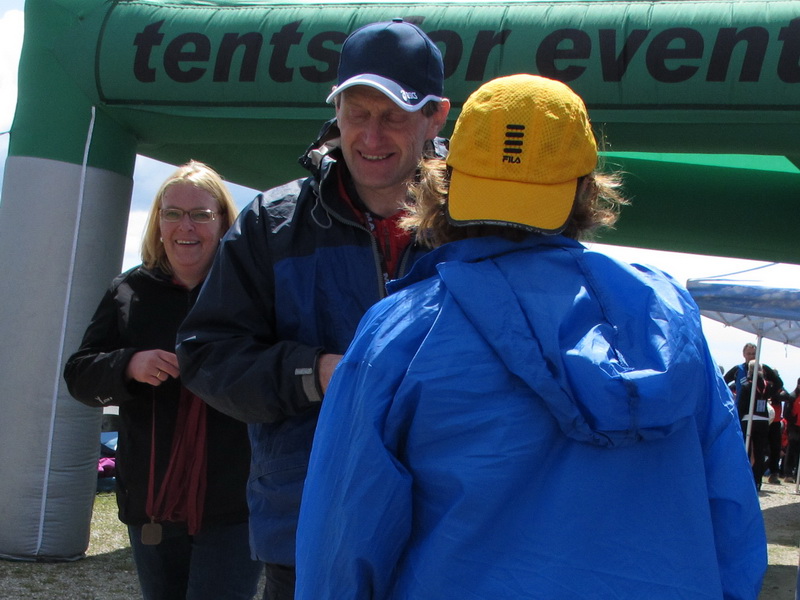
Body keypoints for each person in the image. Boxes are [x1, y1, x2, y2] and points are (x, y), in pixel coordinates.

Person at [295, 74, 767, 599]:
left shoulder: (401, 331)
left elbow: (340, 546)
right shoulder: (668, 319)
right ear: (586, 190)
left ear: (443, 181)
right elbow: (733, 524)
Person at [175, 19, 450, 598]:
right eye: (357, 113)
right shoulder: (270, 224)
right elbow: (206, 356)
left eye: (393, 115)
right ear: (335, 110)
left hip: (443, 534)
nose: (370, 135)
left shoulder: (476, 224)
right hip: (306, 533)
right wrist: (316, 373)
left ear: (436, 116)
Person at [64, 161, 261, 600]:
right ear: (158, 221)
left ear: (224, 222)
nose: (185, 226)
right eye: (172, 213)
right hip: (151, 498)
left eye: (201, 215)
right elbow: (78, 375)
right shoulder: (129, 290)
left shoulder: (251, 290)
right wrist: (128, 365)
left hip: (234, 500)